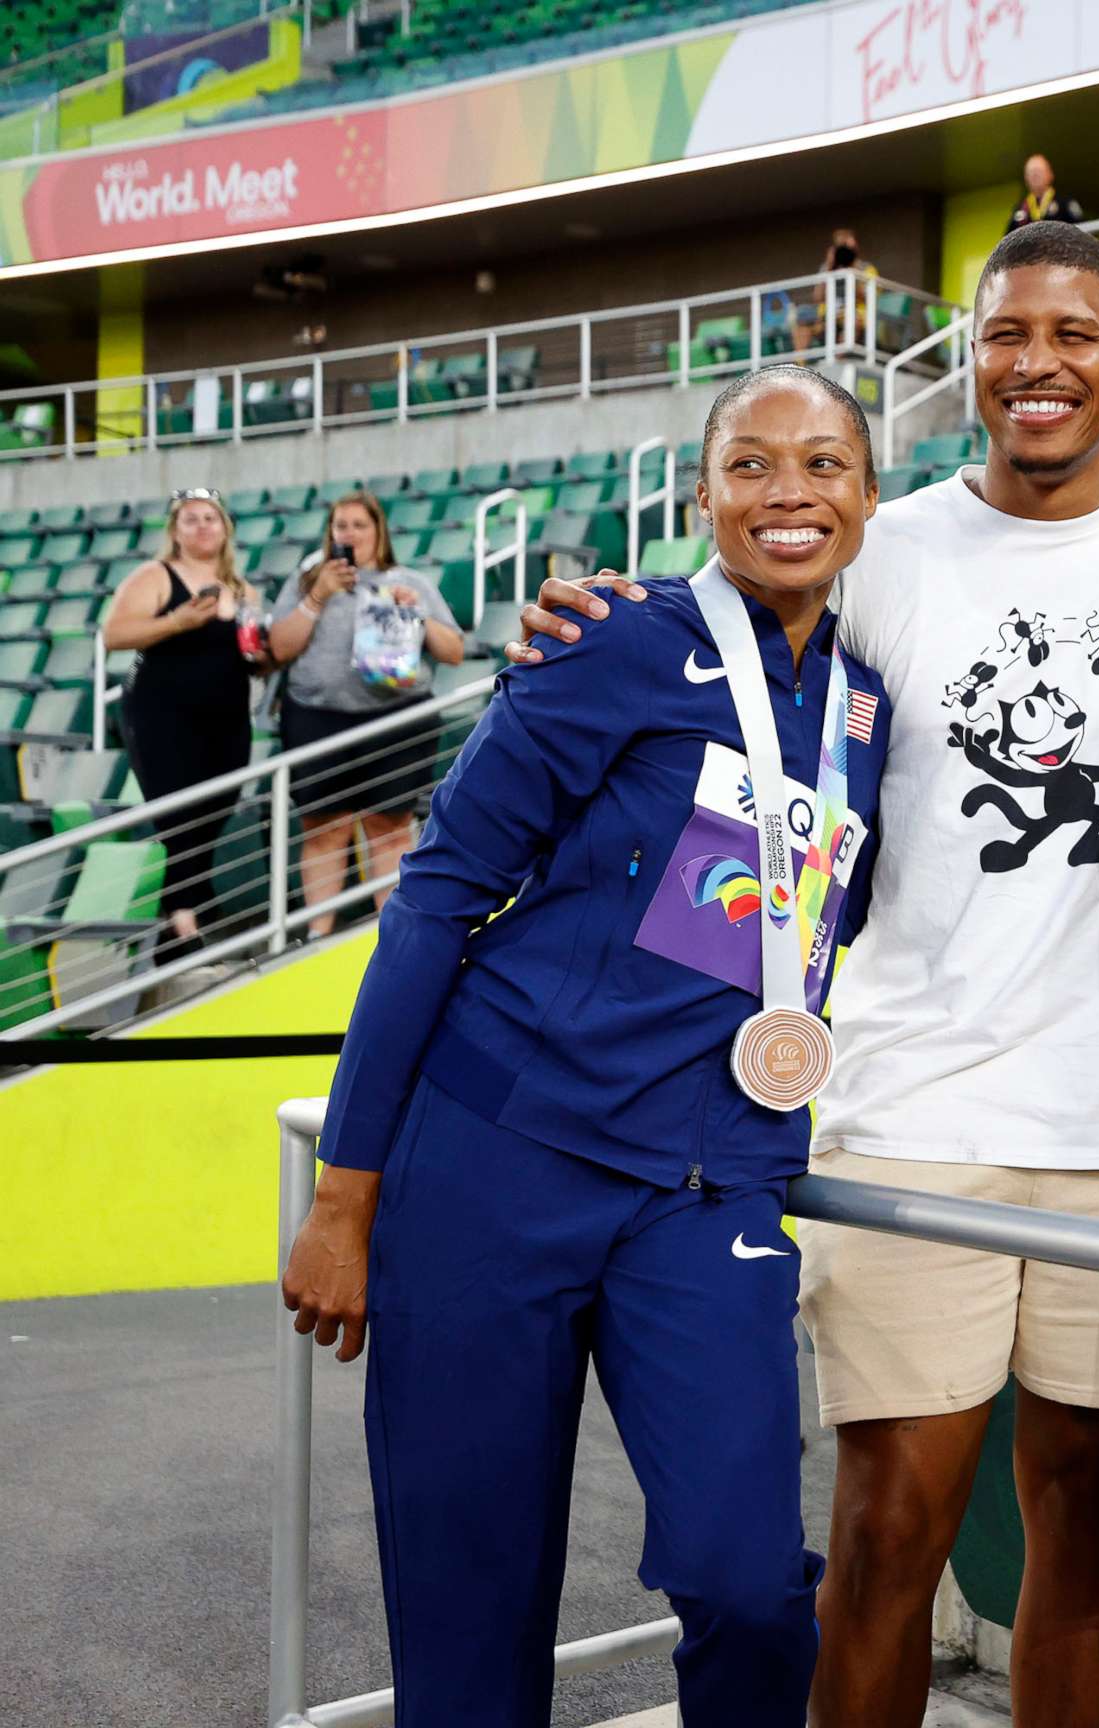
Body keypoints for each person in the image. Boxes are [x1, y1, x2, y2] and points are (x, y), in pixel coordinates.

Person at [517, 221, 1099, 1728]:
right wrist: (583, 618)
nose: (1036, 363)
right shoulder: (885, 549)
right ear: (971, 359)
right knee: (886, 1538)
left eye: (1071, 334)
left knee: (1080, 1533)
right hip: (913, 1117)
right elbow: (713, 672)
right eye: (1005, 334)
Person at [278, 366, 891, 1727]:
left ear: (868, 492)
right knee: (469, 1614)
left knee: (748, 1585)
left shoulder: (869, 702)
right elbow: (436, 895)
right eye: (751, 465)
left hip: (708, 1186)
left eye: (824, 465)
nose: (788, 493)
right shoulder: (617, 640)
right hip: (494, 1165)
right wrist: (346, 1190)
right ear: (703, 493)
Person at [264, 490, 465, 938]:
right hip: (317, 718)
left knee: (389, 827)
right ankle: (317, 934)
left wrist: (415, 613)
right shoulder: (306, 582)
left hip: (397, 721)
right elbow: (279, 648)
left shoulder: (409, 580)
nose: (350, 534)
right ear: (329, 534)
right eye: (341, 526)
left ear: (379, 532)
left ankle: (388, 932)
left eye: (360, 525)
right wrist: (317, 596)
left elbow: (453, 650)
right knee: (323, 829)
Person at [102, 486, 258, 952]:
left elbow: (254, 651)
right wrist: (176, 623)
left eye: (209, 517)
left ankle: (186, 911)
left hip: (227, 717)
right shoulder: (155, 575)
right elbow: (113, 635)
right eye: (190, 519)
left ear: (225, 527)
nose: (201, 526)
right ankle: (186, 922)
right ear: (174, 530)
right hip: (161, 715)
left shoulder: (243, 588)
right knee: (179, 813)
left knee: (215, 811)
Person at [1007, 152, 1083, 233]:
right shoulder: (1020, 209)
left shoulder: (1065, 203)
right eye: (1030, 172)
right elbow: (1007, 242)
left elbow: (1083, 232)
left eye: (1039, 171)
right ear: (1025, 178)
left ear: (1050, 174)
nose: (1035, 175)